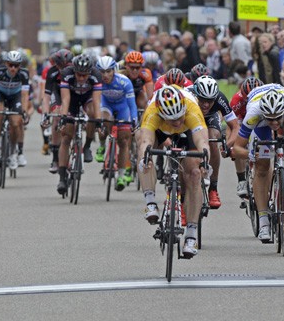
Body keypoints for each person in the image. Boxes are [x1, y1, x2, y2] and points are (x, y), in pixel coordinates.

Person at [137, 85, 210, 258]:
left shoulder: (192, 109)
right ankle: (150, 203)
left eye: (179, 117)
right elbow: (146, 140)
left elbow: (202, 141)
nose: (177, 122)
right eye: (172, 119)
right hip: (161, 131)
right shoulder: (152, 111)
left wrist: (205, 160)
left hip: (188, 133)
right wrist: (145, 158)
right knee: (142, 147)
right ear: (161, 113)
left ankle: (191, 235)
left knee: (194, 173)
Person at [230, 86, 284, 242]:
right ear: (264, 114)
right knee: (262, 166)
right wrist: (250, 154)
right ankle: (263, 222)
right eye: (270, 119)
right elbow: (237, 148)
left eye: (277, 118)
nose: (274, 122)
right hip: (259, 124)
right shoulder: (254, 114)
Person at [54, 54, 103, 195]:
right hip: (72, 100)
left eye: (84, 75)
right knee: (66, 137)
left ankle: (87, 146)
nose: (81, 78)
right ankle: (62, 178)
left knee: (93, 113)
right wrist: (64, 117)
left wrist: (98, 121)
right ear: (73, 71)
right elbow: (65, 98)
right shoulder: (66, 74)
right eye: (79, 75)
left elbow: (96, 101)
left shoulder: (96, 75)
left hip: (87, 99)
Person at [188, 75, 238, 208]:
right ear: (196, 94)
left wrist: (228, 144)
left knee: (213, 139)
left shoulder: (220, 98)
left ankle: (213, 188)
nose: (205, 104)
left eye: (210, 101)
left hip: (211, 118)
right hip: (190, 116)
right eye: (203, 100)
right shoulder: (187, 95)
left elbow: (235, 126)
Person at [94, 55, 137, 190]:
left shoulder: (124, 82)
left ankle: (121, 175)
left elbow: (132, 105)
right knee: (105, 120)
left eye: (108, 71)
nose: (105, 75)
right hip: (106, 105)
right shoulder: (97, 82)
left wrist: (134, 120)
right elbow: (94, 101)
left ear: (114, 70)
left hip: (122, 107)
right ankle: (102, 145)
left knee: (124, 142)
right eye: (102, 72)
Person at [0, 50, 30, 170]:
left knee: (16, 123)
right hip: (1, 94)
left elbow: (25, 95)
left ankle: (12, 154)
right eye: (10, 65)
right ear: (6, 64)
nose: (13, 68)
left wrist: (24, 111)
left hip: (15, 97)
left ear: (20, 66)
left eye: (16, 65)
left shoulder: (24, 74)